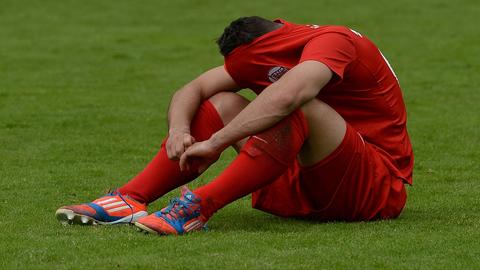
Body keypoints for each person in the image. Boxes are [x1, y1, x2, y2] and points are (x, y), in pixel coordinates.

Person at [55, 16, 414, 235]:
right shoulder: (273, 50)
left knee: (297, 103)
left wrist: (218, 141)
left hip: (374, 192)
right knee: (222, 101)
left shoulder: (334, 41)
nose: (249, 77)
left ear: (266, 49)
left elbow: (291, 96)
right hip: (306, 186)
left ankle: (197, 208)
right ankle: (130, 198)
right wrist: (178, 130)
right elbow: (192, 89)